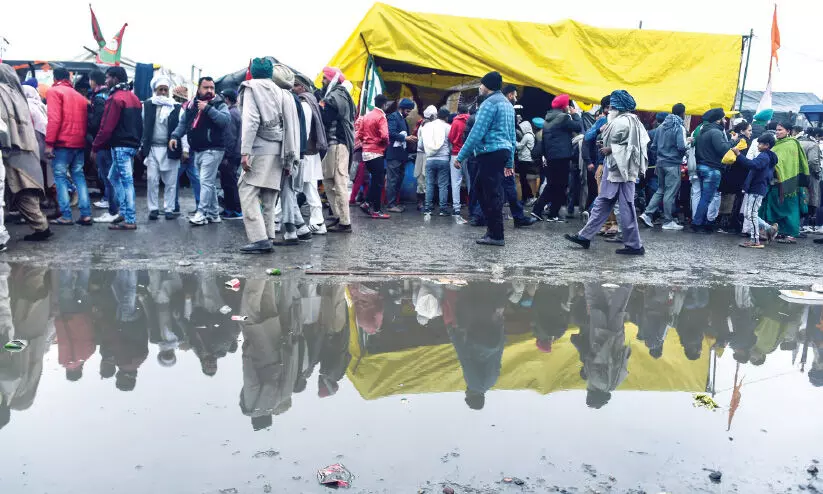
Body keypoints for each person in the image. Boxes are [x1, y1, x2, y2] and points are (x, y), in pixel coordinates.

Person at [565, 90, 649, 255]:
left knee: (624, 206)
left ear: (618, 107)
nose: (609, 109)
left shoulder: (623, 122)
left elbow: (632, 148)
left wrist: (610, 149)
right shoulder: (627, 120)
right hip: (618, 169)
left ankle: (634, 245)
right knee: (604, 202)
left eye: (611, 106)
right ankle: (585, 236)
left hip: (620, 170)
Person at [235, 58, 301, 253]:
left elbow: (251, 121)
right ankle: (268, 235)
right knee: (269, 195)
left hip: (260, 148)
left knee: (246, 190)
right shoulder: (283, 92)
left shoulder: (251, 87)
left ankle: (259, 238)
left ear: (252, 71)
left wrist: (245, 151)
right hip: (281, 148)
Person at [455, 71, 516, 247]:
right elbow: (512, 136)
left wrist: (461, 156)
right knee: (483, 190)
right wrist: (510, 161)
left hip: (489, 152)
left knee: (489, 193)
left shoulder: (489, 104)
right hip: (502, 152)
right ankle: (493, 231)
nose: (480, 87)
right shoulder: (507, 104)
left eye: (481, 84)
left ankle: (496, 235)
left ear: (487, 86)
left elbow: (476, 133)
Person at [0, 65, 52, 243]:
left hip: (12, 150)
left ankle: (41, 226)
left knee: (22, 189)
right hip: (28, 146)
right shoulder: (18, 94)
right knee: (24, 188)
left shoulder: (2, 93)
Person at [170, 76, 230, 226]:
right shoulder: (191, 105)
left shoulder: (218, 104)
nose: (209, 90)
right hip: (197, 149)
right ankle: (214, 214)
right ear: (199, 89)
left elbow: (225, 121)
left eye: (212, 88)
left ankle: (201, 213)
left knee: (205, 182)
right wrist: (175, 135)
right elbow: (183, 123)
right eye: (206, 87)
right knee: (208, 183)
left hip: (214, 149)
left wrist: (208, 109)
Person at [91, 66, 143, 231]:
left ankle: (130, 218)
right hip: (131, 145)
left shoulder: (115, 98)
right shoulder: (133, 98)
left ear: (115, 78)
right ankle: (125, 212)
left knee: (126, 182)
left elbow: (106, 127)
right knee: (114, 177)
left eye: (107, 78)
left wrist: (95, 146)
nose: (105, 81)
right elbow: (140, 125)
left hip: (120, 146)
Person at [270, 63, 313, 245]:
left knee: (286, 189)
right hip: (297, 150)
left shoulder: (287, 99)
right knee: (287, 190)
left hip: (290, 151)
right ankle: (298, 229)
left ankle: (293, 230)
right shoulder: (295, 99)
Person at [46, 67, 91, 226]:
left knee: (60, 177)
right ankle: (86, 214)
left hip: (62, 143)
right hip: (79, 143)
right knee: (79, 177)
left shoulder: (54, 92)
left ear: (54, 78)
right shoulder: (79, 96)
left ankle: (66, 215)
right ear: (69, 78)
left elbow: (54, 119)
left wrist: (49, 144)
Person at [531, 94, 582, 222]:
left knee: (554, 184)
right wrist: (575, 114)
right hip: (562, 156)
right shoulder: (563, 118)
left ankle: (550, 212)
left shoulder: (548, 120)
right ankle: (543, 211)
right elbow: (578, 127)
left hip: (551, 157)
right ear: (564, 106)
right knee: (559, 185)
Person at [640, 103, 687, 231]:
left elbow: (653, 146)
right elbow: (681, 147)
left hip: (660, 163)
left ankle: (647, 213)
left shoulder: (661, 127)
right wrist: (687, 146)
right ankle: (668, 220)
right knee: (670, 193)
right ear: (683, 113)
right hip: (673, 164)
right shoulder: (679, 127)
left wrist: (662, 155)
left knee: (660, 190)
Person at [320, 66, 356, 233]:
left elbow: (326, 121)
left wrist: (320, 107)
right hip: (338, 146)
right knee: (330, 182)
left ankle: (344, 222)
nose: (322, 81)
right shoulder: (343, 96)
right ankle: (339, 217)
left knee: (338, 183)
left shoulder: (334, 98)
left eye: (325, 78)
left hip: (336, 146)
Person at [141, 75, 181, 221]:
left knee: (171, 182)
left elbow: (182, 129)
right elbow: (143, 126)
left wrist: (185, 150)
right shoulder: (148, 105)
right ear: (155, 90)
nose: (163, 93)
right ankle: (153, 209)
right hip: (152, 148)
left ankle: (169, 209)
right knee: (152, 180)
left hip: (170, 148)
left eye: (165, 90)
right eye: (160, 90)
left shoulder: (176, 107)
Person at [293, 74, 328, 234]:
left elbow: (304, 131)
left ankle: (318, 221)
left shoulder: (304, 103)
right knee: (307, 187)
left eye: (295, 85)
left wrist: (298, 151)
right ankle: (318, 222)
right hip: (310, 152)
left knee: (300, 188)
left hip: (305, 152)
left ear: (302, 87)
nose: (292, 88)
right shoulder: (311, 101)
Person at [763, 122, 810, 243]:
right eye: (777, 130)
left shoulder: (791, 144)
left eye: (780, 130)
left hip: (789, 182)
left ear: (788, 131)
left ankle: (792, 235)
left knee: (790, 209)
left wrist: (775, 166)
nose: (777, 132)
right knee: (775, 207)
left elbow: (785, 162)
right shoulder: (776, 143)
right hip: (775, 181)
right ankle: (779, 232)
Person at [731, 132, 779, 248]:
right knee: (749, 214)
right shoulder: (767, 155)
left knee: (751, 214)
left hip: (757, 188)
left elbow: (752, 164)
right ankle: (769, 229)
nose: (757, 146)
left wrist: (738, 155)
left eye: (760, 144)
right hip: (757, 188)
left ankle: (755, 240)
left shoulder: (764, 156)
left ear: (766, 145)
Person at [87, 69, 120, 223]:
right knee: (112, 177)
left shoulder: (99, 98)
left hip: (104, 143)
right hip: (111, 142)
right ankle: (114, 206)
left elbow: (98, 124)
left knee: (108, 177)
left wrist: (88, 121)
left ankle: (112, 209)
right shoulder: (109, 95)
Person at [691, 108, 729, 233]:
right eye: (723, 118)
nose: (725, 120)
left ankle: (698, 222)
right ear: (718, 120)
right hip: (712, 169)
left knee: (702, 196)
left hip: (701, 167)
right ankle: (697, 223)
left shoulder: (703, 131)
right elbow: (722, 149)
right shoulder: (716, 132)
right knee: (706, 199)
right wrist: (734, 141)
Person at [355, 93, 390, 219]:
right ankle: (372, 207)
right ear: (384, 104)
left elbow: (359, 133)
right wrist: (384, 144)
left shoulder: (366, 116)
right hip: (376, 152)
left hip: (366, 152)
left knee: (375, 180)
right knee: (378, 181)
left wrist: (366, 141)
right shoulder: (381, 116)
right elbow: (385, 135)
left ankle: (370, 205)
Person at [716, 119, 753, 233]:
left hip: (729, 171)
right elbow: (743, 157)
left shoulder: (734, 138)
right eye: (749, 130)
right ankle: (728, 223)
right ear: (742, 131)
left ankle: (721, 222)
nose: (751, 132)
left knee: (726, 197)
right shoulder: (744, 141)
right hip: (738, 173)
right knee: (733, 198)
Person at [419, 106, 452, 219]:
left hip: (430, 160)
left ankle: (428, 208)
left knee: (429, 184)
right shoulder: (448, 127)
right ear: (447, 117)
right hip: (443, 160)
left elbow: (420, 145)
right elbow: (451, 145)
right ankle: (443, 209)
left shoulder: (428, 127)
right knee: (443, 185)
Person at [385, 98, 416, 214]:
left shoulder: (403, 120)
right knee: (392, 180)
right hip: (393, 154)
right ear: (401, 108)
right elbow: (390, 133)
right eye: (407, 111)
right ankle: (390, 204)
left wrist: (410, 139)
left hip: (401, 155)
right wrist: (405, 138)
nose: (408, 113)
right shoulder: (393, 117)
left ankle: (394, 202)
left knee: (398, 180)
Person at [171, 85, 199, 214]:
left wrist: (185, 151)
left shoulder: (183, 109)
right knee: (195, 177)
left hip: (185, 149)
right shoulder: (189, 107)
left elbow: (185, 131)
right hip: (190, 147)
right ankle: (200, 205)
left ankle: (175, 206)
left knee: (175, 178)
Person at [219, 88, 243, 221]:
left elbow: (230, 137)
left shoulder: (231, 114)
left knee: (229, 183)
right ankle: (230, 208)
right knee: (229, 181)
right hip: (234, 153)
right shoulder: (235, 112)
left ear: (227, 99)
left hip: (231, 154)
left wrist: (227, 156)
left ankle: (234, 209)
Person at [448, 104, 471, 219]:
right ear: (467, 111)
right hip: (469, 155)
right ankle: (472, 207)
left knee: (455, 183)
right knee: (470, 182)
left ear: (458, 112)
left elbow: (451, 138)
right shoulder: (472, 120)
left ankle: (456, 209)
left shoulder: (455, 122)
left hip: (456, 155)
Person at [799, 128, 821, 233]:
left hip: (796, 175)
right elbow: (813, 161)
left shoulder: (798, 142)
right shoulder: (813, 145)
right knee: (809, 200)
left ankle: (798, 225)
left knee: (799, 199)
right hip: (809, 176)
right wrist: (817, 171)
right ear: (816, 135)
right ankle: (804, 225)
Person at [515, 119, 536, 203]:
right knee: (523, 179)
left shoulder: (527, 136)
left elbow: (520, 146)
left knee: (523, 179)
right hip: (527, 158)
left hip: (524, 159)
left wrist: (514, 141)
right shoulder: (532, 135)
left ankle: (529, 196)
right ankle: (525, 198)